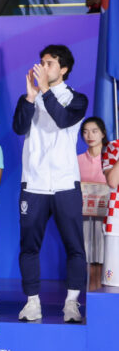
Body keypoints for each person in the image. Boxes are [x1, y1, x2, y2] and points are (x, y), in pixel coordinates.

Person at [13, 45, 87, 323]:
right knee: (29, 247)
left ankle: (71, 303)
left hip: (66, 183)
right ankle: (32, 303)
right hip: (33, 183)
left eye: (50, 63)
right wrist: (30, 97)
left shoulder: (76, 98)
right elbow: (19, 128)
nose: (43, 67)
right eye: (41, 62)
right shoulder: (32, 98)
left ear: (64, 69)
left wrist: (44, 91)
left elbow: (64, 119)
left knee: (74, 247)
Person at [79, 117, 108, 290]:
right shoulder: (77, 160)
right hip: (83, 216)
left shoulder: (111, 159)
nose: (90, 135)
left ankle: (103, 295)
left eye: (94, 131)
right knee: (88, 256)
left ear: (103, 133)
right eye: (85, 131)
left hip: (107, 217)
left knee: (105, 256)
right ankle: (91, 292)